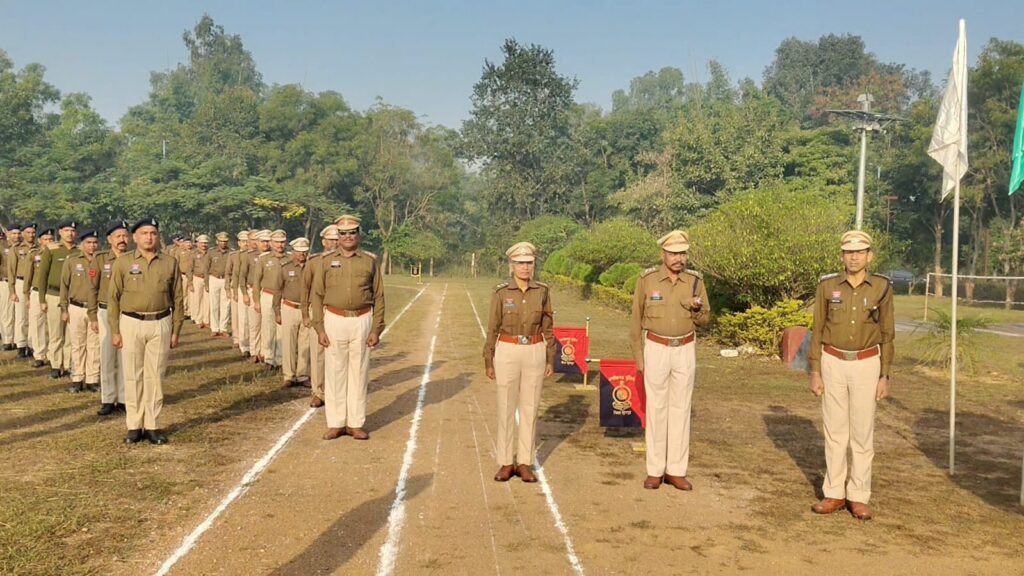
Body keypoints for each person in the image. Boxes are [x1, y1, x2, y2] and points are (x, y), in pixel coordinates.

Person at [807, 230, 894, 521]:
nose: (854, 257)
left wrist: (885, 375)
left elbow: (888, 333)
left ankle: (858, 495)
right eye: (848, 252)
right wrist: (815, 370)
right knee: (835, 431)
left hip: (867, 363)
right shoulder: (827, 286)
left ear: (870, 256)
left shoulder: (881, 287)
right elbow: (817, 329)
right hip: (833, 361)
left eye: (860, 252)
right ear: (842, 256)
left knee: (862, 432)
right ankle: (834, 492)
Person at [630, 230, 710, 491]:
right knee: (656, 409)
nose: (679, 259)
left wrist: (697, 310)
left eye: (682, 253)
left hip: (685, 348)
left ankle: (676, 470)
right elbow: (635, 320)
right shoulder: (647, 280)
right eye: (673, 253)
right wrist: (639, 357)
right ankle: (655, 470)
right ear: (663, 254)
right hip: (656, 347)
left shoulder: (695, 282)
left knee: (681, 409)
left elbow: (705, 319)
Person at [483, 241, 555, 483]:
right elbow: (493, 327)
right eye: (520, 263)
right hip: (508, 350)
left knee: (530, 408)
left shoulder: (542, 291)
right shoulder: (501, 292)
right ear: (511, 265)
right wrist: (489, 359)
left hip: (534, 349)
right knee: (506, 406)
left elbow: (548, 326)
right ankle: (505, 462)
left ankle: (524, 462)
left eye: (529, 263)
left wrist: (550, 357)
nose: (525, 267)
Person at [109, 217, 185, 445]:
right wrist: (115, 330)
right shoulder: (123, 262)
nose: (149, 237)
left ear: (158, 236)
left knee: (155, 375)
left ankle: (152, 424)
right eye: (144, 233)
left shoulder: (169, 262)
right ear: (135, 237)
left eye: (153, 233)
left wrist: (176, 330)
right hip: (131, 322)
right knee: (133, 375)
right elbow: (113, 298)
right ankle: (134, 425)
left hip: (160, 322)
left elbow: (178, 298)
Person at [311, 215, 384, 441]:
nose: (348, 237)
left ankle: (355, 423)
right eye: (343, 233)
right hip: (334, 319)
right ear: (338, 236)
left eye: (352, 232)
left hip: (361, 319)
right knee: (335, 372)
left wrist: (376, 329)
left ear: (358, 235)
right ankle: (336, 423)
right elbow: (317, 295)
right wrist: (319, 328)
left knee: (359, 373)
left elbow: (379, 296)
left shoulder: (369, 261)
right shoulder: (325, 261)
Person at [93, 221, 130, 416]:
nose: (122, 240)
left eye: (124, 236)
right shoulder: (100, 259)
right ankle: (108, 399)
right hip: (105, 311)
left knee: (125, 356)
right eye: (118, 236)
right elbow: (92, 288)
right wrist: (92, 315)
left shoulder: (133, 259)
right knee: (107, 355)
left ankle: (123, 398)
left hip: (126, 312)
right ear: (109, 239)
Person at [36, 221, 79, 379]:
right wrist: (42, 299)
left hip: (72, 297)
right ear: (60, 232)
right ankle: (55, 364)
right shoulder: (52, 249)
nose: (70, 233)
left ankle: (67, 364)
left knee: (70, 334)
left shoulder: (79, 251)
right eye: (66, 230)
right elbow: (43, 275)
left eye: (72, 230)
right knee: (56, 333)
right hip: (54, 295)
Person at [59, 230, 100, 393]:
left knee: (94, 345)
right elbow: (64, 285)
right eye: (88, 242)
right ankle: (77, 378)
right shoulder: (72, 261)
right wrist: (64, 308)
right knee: (77, 344)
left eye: (95, 242)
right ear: (82, 244)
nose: (92, 246)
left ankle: (92, 379)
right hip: (76, 307)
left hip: (95, 309)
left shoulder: (101, 261)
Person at [302, 225, 338, 408]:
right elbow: (305, 288)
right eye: (330, 240)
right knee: (318, 352)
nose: (334, 243)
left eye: (336, 239)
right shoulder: (315, 261)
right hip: (318, 309)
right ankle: (319, 391)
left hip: (337, 310)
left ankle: (336, 390)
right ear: (323, 242)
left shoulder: (346, 261)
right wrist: (305, 313)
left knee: (338, 351)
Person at [274, 237, 310, 387]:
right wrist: (277, 311)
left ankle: (302, 375)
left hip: (307, 309)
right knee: (288, 342)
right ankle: (288, 375)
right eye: (299, 251)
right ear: (293, 251)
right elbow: (278, 290)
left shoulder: (312, 267)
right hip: (289, 307)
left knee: (305, 343)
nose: (302, 254)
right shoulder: (285, 268)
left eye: (304, 251)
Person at [254, 230, 287, 370]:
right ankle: (268, 357)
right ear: (271, 243)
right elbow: (256, 281)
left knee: (282, 328)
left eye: (282, 242)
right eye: (277, 242)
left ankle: (280, 359)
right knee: (268, 326)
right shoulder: (264, 259)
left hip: (284, 297)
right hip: (268, 295)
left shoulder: (290, 258)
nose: (280, 245)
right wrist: (256, 300)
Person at [25, 228, 54, 369]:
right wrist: (26, 294)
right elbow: (28, 275)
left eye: (51, 239)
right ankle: (39, 355)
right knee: (37, 324)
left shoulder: (57, 254)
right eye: (45, 239)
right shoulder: (34, 254)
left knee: (54, 326)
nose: (48, 242)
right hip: (36, 291)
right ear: (40, 241)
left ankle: (53, 355)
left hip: (52, 292)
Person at [9, 223, 36, 359]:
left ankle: (31, 345)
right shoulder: (16, 249)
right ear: (23, 233)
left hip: (34, 284)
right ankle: (21, 344)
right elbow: (11, 270)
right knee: (21, 316)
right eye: (28, 232)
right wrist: (12, 290)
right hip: (20, 282)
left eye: (33, 232)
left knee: (33, 316)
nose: (31, 235)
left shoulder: (39, 248)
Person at [244, 230, 271, 363]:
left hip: (267, 292)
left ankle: (265, 352)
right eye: (262, 241)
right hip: (253, 290)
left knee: (267, 325)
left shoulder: (274, 257)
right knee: (254, 323)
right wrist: (245, 293)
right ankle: (254, 351)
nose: (265, 244)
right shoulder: (250, 256)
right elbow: (243, 275)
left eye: (267, 241)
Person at [227, 230, 250, 353]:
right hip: (235, 287)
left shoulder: (251, 255)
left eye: (247, 241)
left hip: (246, 287)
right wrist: (230, 289)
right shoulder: (234, 255)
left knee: (246, 317)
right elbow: (229, 273)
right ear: (239, 243)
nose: (245, 243)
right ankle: (237, 339)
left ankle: (246, 340)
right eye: (243, 241)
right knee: (236, 315)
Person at [0, 224, 21, 351]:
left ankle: (19, 340)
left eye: (18, 233)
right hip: (5, 281)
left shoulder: (23, 247)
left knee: (19, 314)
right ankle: (8, 340)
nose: (16, 236)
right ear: (8, 234)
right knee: (7, 312)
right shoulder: (2, 246)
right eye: (13, 233)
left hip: (20, 282)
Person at [207, 232, 231, 337]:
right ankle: (214, 328)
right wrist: (206, 282)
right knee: (214, 304)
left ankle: (223, 328)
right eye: (221, 241)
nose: (223, 243)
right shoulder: (211, 252)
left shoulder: (231, 253)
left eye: (225, 241)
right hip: (214, 278)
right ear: (217, 241)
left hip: (226, 280)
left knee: (225, 304)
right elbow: (206, 268)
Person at [191, 235, 211, 329]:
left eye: (205, 243)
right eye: (202, 243)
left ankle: (206, 320)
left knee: (207, 300)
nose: (204, 245)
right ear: (197, 243)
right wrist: (190, 282)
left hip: (208, 278)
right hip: (197, 277)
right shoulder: (193, 254)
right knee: (197, 299)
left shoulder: (210, 253)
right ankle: (198, 320)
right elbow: (189, 268)